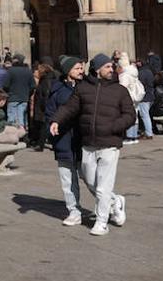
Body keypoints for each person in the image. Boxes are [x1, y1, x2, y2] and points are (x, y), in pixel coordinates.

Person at [49, 54, 135, 237]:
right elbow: (69, 108)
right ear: (97, 70)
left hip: (110, 144)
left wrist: (114, 127)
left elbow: (130, 115)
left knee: (103, 185)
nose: (111, 70)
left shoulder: (119, 90)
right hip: (88, 144)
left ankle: (101, 222)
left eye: (112, 67)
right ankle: (115, 201)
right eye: (107, 67)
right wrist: (56, 120)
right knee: (90, 180)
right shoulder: (83, 88)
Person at [46, 56, 84, 225]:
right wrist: (52, 131)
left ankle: (111, 203)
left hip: (84, 140)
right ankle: (74, 211)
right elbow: (50, 113)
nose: (81, 71)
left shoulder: (88, 87)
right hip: (63, 140)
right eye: (77, 68)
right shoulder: (57, 90)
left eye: (81, 68)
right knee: (67, 179)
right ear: (68, 71)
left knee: (91, 178)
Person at [3, 53, 34, 135]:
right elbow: (33, 86)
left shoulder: (10, 71)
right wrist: (28, 94)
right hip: (24, 98)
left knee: (12, 118)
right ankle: (22, 134)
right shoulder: (28, 71)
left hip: (12, 97)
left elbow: (5, 85)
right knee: (21, 117)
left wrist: (8, 92)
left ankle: (12, 134)